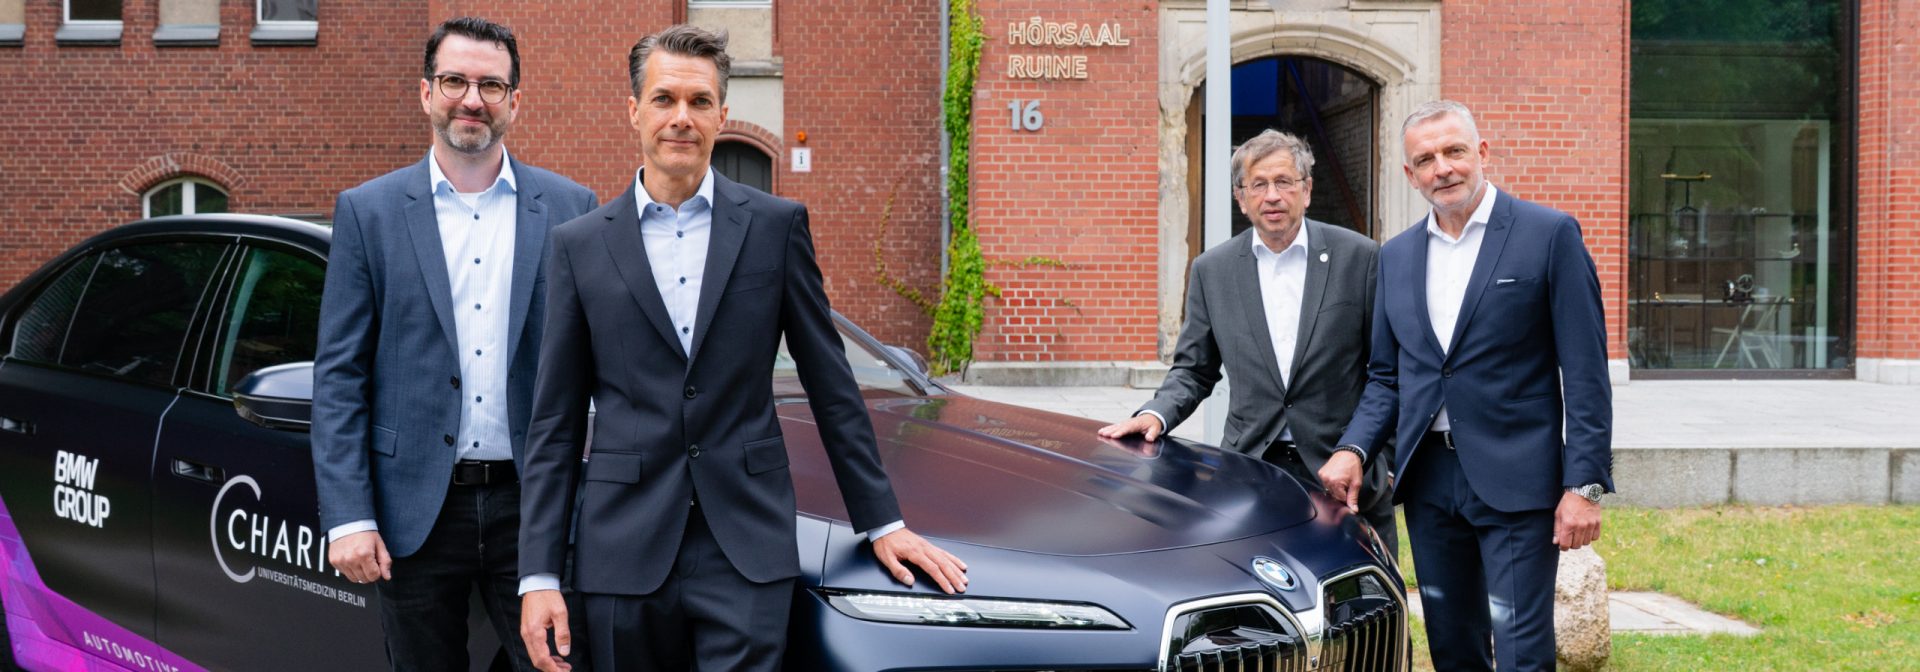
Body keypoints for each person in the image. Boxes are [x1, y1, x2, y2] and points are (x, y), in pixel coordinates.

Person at [514, 24, 968, 672]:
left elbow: (831, 385)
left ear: (723, 114)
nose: (681, 118)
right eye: (665, 99)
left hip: (745, 553)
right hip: (620, 556)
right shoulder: (580, 246)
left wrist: (882, 522)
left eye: (699, 102)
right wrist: (538, 576)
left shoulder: (774, 228)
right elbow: (554, 425)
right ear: (634, 110)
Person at [310, 16, 598, 671]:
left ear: (514, 102)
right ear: (425, 92)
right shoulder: (369, 212)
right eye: (455, 81)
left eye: (491, 85)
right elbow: (340, 377)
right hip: (413, 513)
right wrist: (349, 514)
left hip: (535, 508)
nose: (472, 99)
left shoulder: (569, 208)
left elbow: (601, 368)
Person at [1319, 100, 1613, 671]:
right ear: (1410, 175)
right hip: (1430, 481)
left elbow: (1585, 372)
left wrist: (1586, 484)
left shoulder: (1548, 235)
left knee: (1523, 649)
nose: (1442, 168)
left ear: (1481, 153)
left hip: (1518, 478)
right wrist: (1353, 449)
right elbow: (1387, 376)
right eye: (1425, 159)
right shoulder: (1398, 256)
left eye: (1454, 151)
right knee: (1452, 645)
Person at [1097, 129, 1396, 557]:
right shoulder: (1211, 270)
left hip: (1345, 472)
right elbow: (1193, 368)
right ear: (1241, 198)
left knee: (1362, 610)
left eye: (1284, 182)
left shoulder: (1361, 257)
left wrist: (1384, 464)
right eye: (1258, 185)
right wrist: (1155, 414)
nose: (1272, 196)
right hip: (1251, 474)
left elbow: (1389, 369)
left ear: (1307, 190)